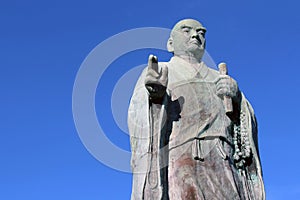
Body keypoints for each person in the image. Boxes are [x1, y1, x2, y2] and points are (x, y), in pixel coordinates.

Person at [128, 19, 265, 200]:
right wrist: (155, 98)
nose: (195, 35)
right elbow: (137, 115)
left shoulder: (219, 78)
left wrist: (237, 98)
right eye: (186, 31)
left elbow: (247, 124)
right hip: (180, 161)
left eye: (201, 32)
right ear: (170, 44)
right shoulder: (161, 71)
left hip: (224, 161)